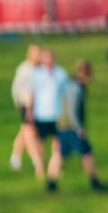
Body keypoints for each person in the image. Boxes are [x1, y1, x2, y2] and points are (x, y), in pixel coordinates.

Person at [57, 60, 108, 192]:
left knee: (61, 154)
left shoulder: (71, 84)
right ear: (85, 74)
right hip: (71, 127)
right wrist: (79, 128)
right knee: (87, 153)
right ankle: (95, 182)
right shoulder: (76, 87)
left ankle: (51, 184)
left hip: (63, 126)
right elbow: (72, 110)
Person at [27, 46, 67, 189]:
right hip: (41, 113)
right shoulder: (36, 74)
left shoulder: (61, 73)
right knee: (41, 142)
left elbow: (65, 94)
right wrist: (30, 111)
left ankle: (55, 166)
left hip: (57, 113)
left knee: (57, 142)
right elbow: (32, 94)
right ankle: (40, 166)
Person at [9, 44, 44, 177]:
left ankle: (15, 157)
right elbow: (16, 88)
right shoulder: (24, 69)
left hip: (38, 104)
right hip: (25, 103)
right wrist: (20, 102)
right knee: (29, 131)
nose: (39, 56)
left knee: (25, 130)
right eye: (37, 53)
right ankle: (36, 159)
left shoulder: (40, 69)